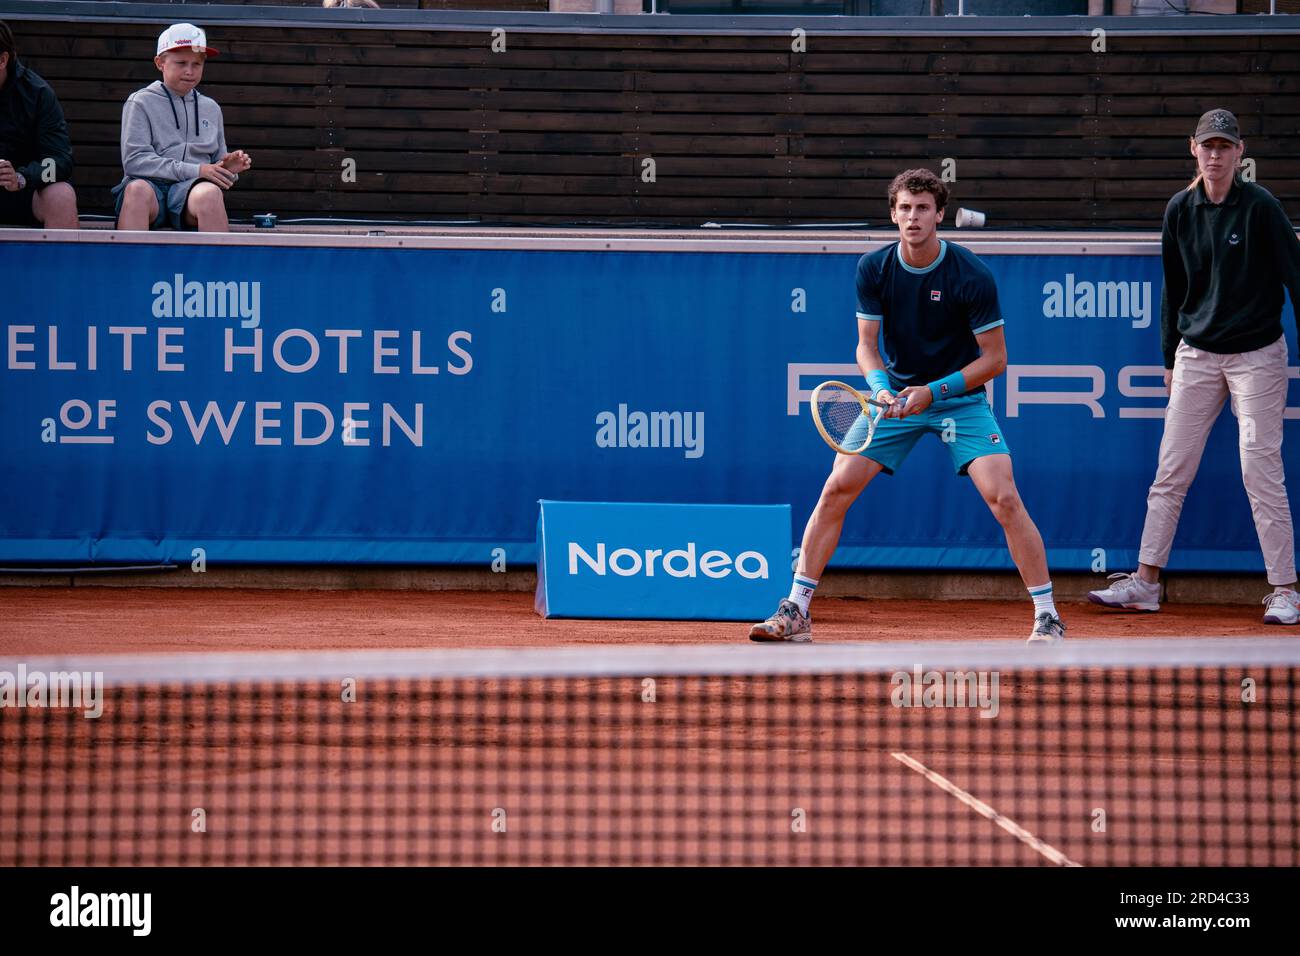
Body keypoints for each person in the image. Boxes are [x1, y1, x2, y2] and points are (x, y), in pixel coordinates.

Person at [750, 168, 1066, 645]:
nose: (913, 217)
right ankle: (796, 611)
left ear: (939, 214)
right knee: (836, 488)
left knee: (1003, 496)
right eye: (904, 208)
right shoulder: (874, 268)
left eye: (923, 208)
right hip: (892, 396)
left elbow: (995, 359)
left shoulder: (971, 275)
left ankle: (1048, 616)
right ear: (892, 214)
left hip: (957, 402)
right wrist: (879, 389)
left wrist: (932, 393)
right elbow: (866, 346)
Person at [1088, 109, 1300, 624]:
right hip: (1195, 357)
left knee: (1259, 467)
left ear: (1239, 152)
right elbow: (1173, 291)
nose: (1215, 154)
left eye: (1224, 146)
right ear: (1193, 149)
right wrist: (1169, 358)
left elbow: (1297, 278)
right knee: (1171, 470)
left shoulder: (1262, 208)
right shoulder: (1179, 210)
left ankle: (1286, 590)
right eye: (1207, 146)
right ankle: (1145, 583)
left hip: (1257, 358)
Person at [113, 23, 252, 232]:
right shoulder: (140, 102)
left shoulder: (211, 107)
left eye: (196, 64)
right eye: (181, 63)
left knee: (210, 193)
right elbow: (135, 162)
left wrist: (227, 169)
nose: (189, 71)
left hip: (191, 190)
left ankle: (216, 265)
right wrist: (197, 169)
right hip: (151, 188)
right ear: (160, 63)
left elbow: (214, 166)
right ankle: (131, 264)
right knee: (137, 190)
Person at [0, 20, 78, 228]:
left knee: (61, 195)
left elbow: (60, 162)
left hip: (22, 192)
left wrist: (21, 177)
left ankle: (61, 261)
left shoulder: (38, 94)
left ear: (2, 59)